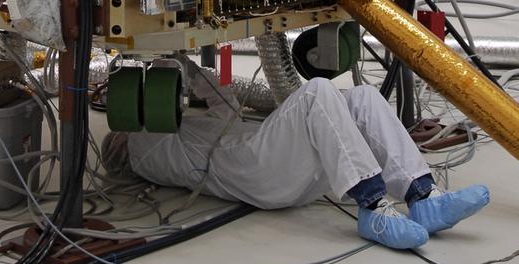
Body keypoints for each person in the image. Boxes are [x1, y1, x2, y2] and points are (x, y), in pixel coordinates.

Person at [102, 60, 489, 251]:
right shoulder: (143, 151)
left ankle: (423, 197)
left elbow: (222, 103)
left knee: (363, 98)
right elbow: (160, 108)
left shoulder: (185, 132)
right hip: (253, 171)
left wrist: (189, 62)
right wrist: (166, 66)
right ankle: (372, 207)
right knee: (317, 92)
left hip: (274, 163)